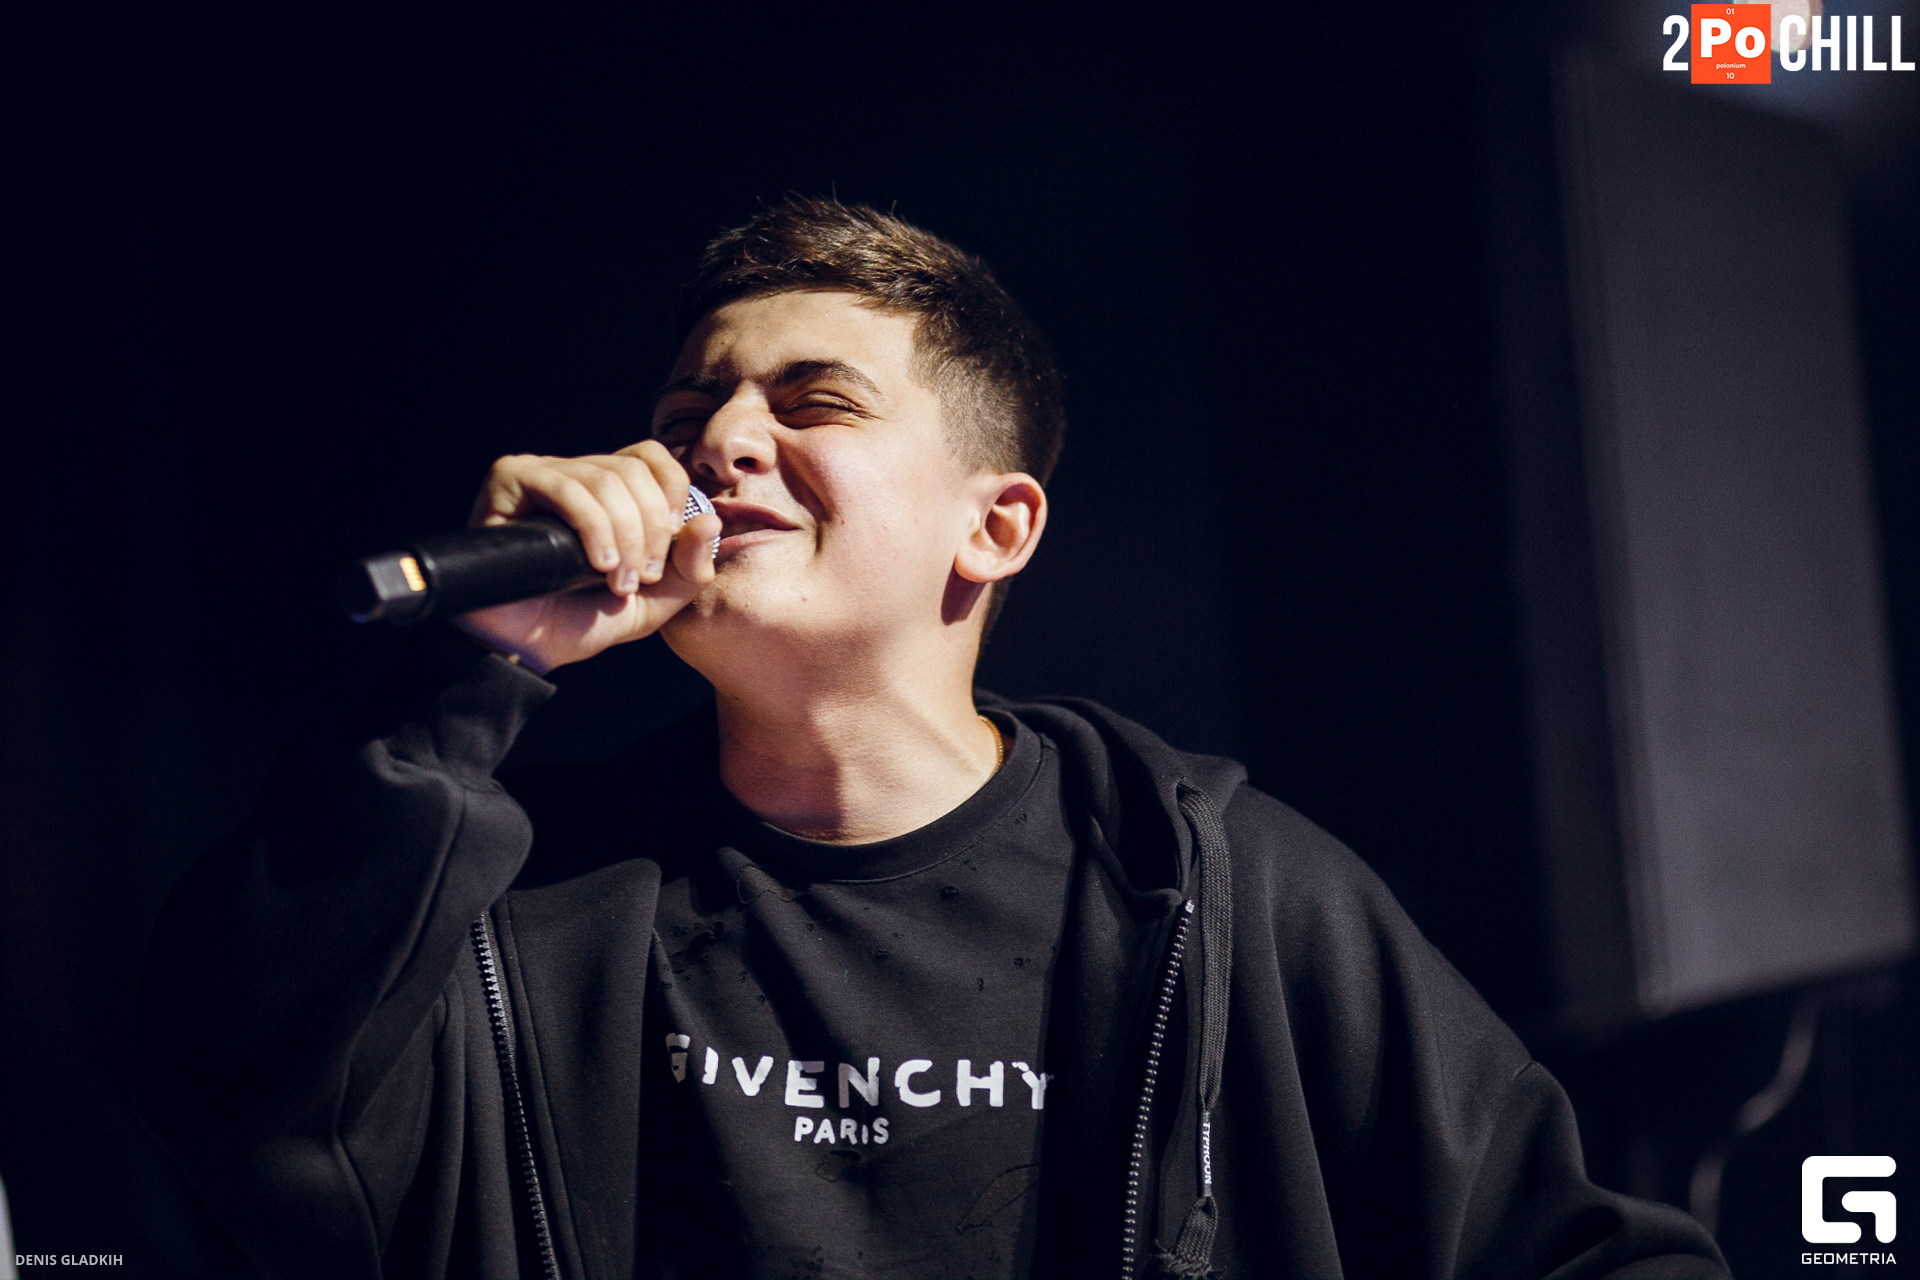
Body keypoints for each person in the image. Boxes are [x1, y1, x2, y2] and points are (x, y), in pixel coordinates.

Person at [133, 198, 1730, 1280]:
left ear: (997, 526)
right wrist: (468, 680)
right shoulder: (522, 901)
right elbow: (229, 1105)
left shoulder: (1219, 888)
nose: (718, 443)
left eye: (813, 402)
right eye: (689, 414)